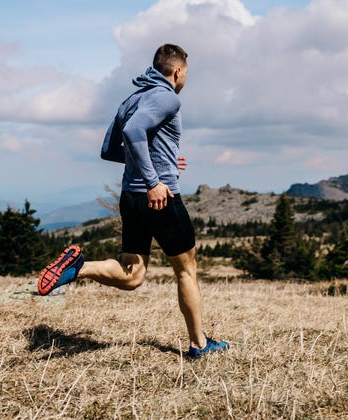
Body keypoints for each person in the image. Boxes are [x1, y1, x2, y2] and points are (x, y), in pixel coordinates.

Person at [37, 44, 229, 359]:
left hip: (130, 198)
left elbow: (111, 150)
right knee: (186, 270)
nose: (184, 80)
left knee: (133, 275)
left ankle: (78, 267)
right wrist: (154, 180)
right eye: (186, 74)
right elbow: (135, 130)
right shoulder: (167, 96)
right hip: (159, 198)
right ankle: (199, 345)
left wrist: (160, 160)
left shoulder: (131, 99)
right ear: (178, 70)